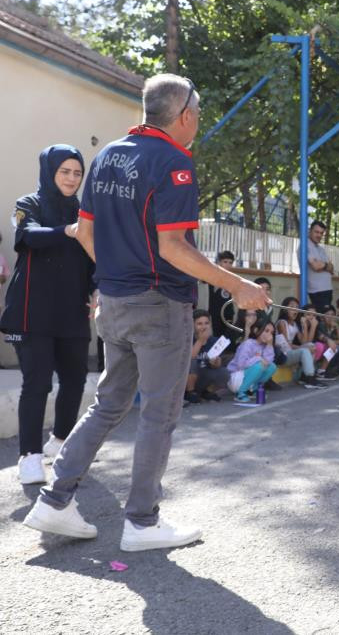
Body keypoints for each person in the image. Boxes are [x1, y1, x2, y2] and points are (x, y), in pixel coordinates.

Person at [23, 74, 271, 552]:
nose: (198, 120)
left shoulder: (107, 155)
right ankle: (141, 521)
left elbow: (87, 234)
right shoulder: (175, 161)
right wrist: (237, 285)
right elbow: (173, 246)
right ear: (184, 115)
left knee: (108, 403)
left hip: (113, 303)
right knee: (159, 413)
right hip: (160, 307)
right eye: (197, 112)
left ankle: (54, 502)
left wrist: (117, 279)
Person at [1, 144, 95, 485]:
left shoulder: (85, 212)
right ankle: (29, 457)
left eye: (77, 173)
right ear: (49, 171)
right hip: (32, 311)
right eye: (64, 171)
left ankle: (59, 442)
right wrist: (68, 231)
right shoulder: (29, 204)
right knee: (37, 383)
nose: (71, 178)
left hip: (72, 309)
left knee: (74, 380)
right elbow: (27, 237)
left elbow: (93, 259)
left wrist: (97, 289)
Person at [227, 318, 278, 402]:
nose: (269, 335)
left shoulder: (264, 346)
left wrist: (269, 345)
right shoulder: (248, 344)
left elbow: (268, 361)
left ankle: (252, 389)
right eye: (266, 331)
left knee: (272, 366)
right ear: (256, 330)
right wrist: (258, 359)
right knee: (259, 366)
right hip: (236, 378)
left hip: (247, 376)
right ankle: (240, 393)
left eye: (271, 333)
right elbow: (241, 364)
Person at [186, 309, 229, 404]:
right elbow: (190, 358)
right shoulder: (188, 340)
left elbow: (216, 366)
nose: (203, 327)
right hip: (188, 378)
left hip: (203, 375)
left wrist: (216, 362)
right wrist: (200, 341)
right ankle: (190, 392)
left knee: (223, 372)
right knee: (192, 362)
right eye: (199, 324)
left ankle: (206, 392)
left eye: (206, 323)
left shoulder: (214, 341)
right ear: (193, 325)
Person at [207, 250, 236, 340]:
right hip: (214, 314)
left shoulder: (233, 278)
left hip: (227, 315)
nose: (228, 265)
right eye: (225, 262)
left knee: (226, 341)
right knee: (214, 339)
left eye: (230, 262)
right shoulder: (211, 276)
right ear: (219, 262)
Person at [306, 220, 334, 310]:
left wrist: (324, 265)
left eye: (321, 233)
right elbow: (316, 266)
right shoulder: (305, 246)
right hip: (317, 291)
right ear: (310, 231)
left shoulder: (321, 249)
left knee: (327, 318)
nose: (319, 235)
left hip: (327, 289)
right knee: (322, 318)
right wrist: (326, 266)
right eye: (316, 232)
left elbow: (332, 268)